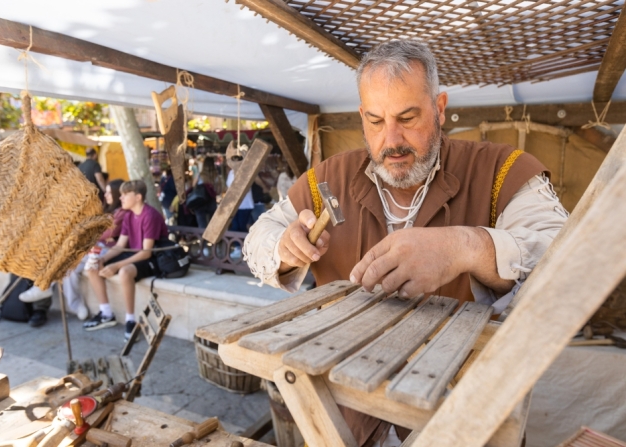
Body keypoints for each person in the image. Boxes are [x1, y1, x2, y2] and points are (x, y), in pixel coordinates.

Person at [243, 40, 567, 446]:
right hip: (344, 417)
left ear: (440, 107)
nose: (391, 139)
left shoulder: (502, 169)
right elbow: (257, 238)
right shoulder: (326, 178)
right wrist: (284, 247)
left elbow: (567, 258)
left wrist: (466, 246)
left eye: (408, 117)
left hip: (463, 418)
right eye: (375, 121)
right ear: (361, 116)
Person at [20, 179, 128, 321]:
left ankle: (44, 287)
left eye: (109, 192)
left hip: (106, 250)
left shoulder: (122, 213)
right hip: (95, 247)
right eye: (106, 192)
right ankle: (76, 305)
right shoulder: (107, 210)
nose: (106, 195)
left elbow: (106, 234)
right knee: (68, 270)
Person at [83, 179, 168, 341]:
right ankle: (106, 313)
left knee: (124, 271)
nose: (120, 198)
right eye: (120, 195)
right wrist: (104, 259)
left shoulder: (149, 215)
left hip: (154, 259)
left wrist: (115, 265)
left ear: (137, 197)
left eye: (125, 195)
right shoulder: (129, 215)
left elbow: (146, 253)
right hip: (133, 255)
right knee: (93, 265)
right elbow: (121, 245)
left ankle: (130, 320)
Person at [193, 157, 218, 229]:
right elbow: (218, 190)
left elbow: (193, 186)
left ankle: (203, 239)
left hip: (200, 201)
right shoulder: (216, 176)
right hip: (212, 201)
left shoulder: (200, 175)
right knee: (212, 225)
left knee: (202, 225)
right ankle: (211, 240)